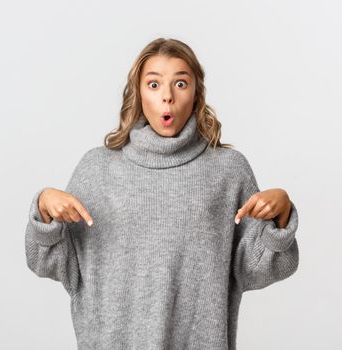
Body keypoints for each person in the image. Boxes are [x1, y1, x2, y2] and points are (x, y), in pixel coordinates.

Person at [25, 37, 299, 350]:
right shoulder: (97, 169)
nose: (167, 97)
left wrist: (281, 216)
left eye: (180, 83)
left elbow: (254, 270)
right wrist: (44, 209)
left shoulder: (227, 170)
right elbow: (52, 264)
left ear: (196, 93)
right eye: (154, 85)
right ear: (138, 93)